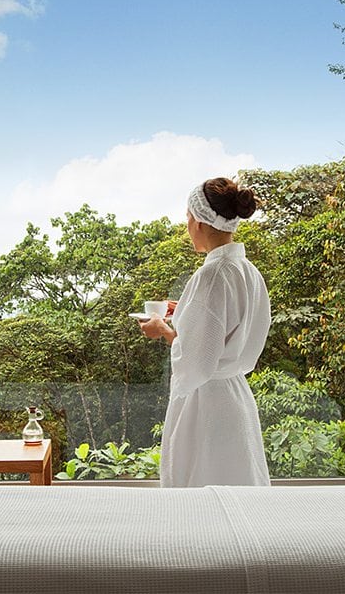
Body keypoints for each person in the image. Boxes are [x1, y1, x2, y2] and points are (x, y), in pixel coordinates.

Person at [139, 176, 272, 487]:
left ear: (198, 221)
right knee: (238, 483)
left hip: (207, 402)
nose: (186, 225)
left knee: (200, 494)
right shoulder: (246, 270)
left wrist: (163, 330)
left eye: (187, 216)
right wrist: (185, 309)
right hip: (236, 396)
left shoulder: (211, 274)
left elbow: (199, 358)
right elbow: (232, 328)